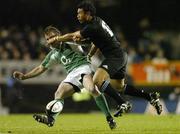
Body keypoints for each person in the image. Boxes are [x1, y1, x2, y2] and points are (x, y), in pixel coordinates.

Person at [47, 1, 162, 116]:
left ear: (88, 13)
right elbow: (94, 42)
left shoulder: (92, 26)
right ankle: (150, 97)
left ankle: (122, 103)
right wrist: (89, 55)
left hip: (115, 57)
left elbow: (72, 36)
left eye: (79, 13)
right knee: (119, 87)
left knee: (97, 80)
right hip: (120, 55)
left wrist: (57, 38)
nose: (77, 15)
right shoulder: (97, 22)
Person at [13, 26, 116, 129]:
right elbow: (41, 68)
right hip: (71, 74)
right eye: (48, 39)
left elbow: (86, 41)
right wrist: (25, 76)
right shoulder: (53, 54)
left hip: (84, 68)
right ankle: (51, 119)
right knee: (58, 94)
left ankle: (109, 118)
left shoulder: (70, 42)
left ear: (59, 36)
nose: (50, 40)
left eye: (52, 37)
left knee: (92, 89)